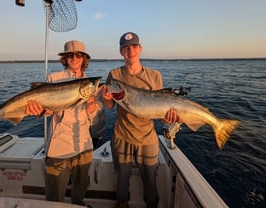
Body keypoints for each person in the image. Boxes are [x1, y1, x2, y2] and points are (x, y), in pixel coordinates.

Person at [101, 32, 182, 208]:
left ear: (140, 48)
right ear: (121, 51)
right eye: (126, 48)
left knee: (151, 182)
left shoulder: (154, 76)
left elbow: (160, 108)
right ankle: (122, 203)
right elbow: (109, 106)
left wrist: (168, 117)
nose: (131, 51)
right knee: (121, 181)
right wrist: (106, 97)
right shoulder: (114, 74)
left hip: (148, 138)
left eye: (134, 46)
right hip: (122, 136)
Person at [25, 40, 100, 206]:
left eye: (78, 54)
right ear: (64, 58)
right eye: (70, 55)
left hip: (84, 146)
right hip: (59, 148)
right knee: (54, 198)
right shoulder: (54, 78)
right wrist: (39, 110)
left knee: (79, 193)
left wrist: (92, 105)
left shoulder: (90, 82)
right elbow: (50, 110)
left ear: (84, 58)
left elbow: (91, 117)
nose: (74, 58)